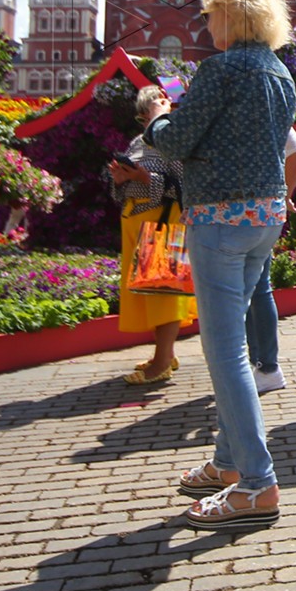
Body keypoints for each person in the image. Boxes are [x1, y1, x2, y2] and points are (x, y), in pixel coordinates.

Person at [144, 0, 296, 527]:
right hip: (265, 214)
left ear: (233, 16)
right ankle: (229, 462)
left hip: (219, 216)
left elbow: (176, 142)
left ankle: (257, 483)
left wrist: (157, 114)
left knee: (226, 350)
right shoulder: (279, 72)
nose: (206, 24)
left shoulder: (220, 69)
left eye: (211, 14)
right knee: (233, 340)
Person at [108, 86, 195, 386]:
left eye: (150, 112)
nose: (146, 121)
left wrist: (146, 178)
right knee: (153, 294)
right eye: (143, 116)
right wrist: (121, 178)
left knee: (163, 294)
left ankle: (161, 362)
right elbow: (123, 186)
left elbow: (183, 183)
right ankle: (164, 354)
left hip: (162, 220)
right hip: (136, 220)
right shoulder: (138, 141)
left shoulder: (174, 137)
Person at [245, 128, 296, 395]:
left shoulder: (261, 101)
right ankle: (261, 364)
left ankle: (266, 366)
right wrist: (284, 194)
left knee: (255, 289)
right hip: (260, 212)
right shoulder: (269, 99)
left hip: (248, 212)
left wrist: (284, 194)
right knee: (254, 289)